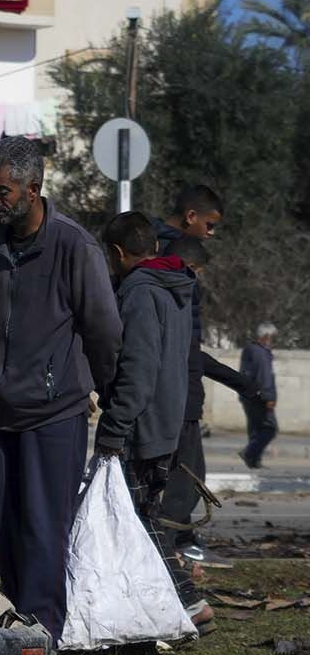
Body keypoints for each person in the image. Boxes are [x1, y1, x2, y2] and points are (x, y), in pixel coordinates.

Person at [0, 137, 122, 641]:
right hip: (1, 408)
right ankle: (15, 622)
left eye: (3, 191)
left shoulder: (74, 246)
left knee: (43, 526)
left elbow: (104, 330)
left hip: (56, 410)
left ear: (33, 189)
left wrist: (111, 399)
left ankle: (42, 634)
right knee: (4, 519)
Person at [93, 216, 207, 631]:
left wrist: (114, 426)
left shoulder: (141, 292)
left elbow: (138, 369)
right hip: (169, 420)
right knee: (145, 515)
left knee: (141, 520)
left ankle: (189, 601)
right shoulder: (175, 286)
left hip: (142, 425)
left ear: (118, 253)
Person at [154, 185, 255, 563]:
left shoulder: (171, 256)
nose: (211, 234)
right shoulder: (169, 261)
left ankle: (177, 542)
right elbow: (178, 344)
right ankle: (168, 547)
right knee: (184, 478)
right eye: (209, 225)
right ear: (191, 217)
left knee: (186, 475)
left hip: (184, 388)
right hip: (175, 392)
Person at [241, 323, 280, 470]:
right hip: (260, 397)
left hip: (250, 395)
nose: (273, 340)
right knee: (270, 428)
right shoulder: (261, 353)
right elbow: (264, 378)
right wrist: (269, 397)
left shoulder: (251, 349)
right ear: (266, 337)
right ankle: (250, 453)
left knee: (256, 429)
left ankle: (253, 459)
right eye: (272, 337)